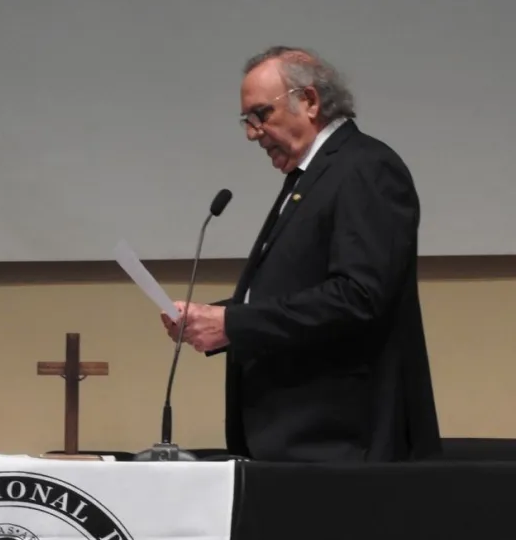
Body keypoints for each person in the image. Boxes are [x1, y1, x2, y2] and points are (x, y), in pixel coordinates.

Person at [162, 46, 441, 462]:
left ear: (309, 101)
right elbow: (297, 290)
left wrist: (235, 323)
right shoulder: (311, 176)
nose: (252, 133)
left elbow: (358, 297)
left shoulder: (364, 167)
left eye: (260, 115)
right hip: (300, 444)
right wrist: (216, 319)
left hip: (344, 446)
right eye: (246, 120)